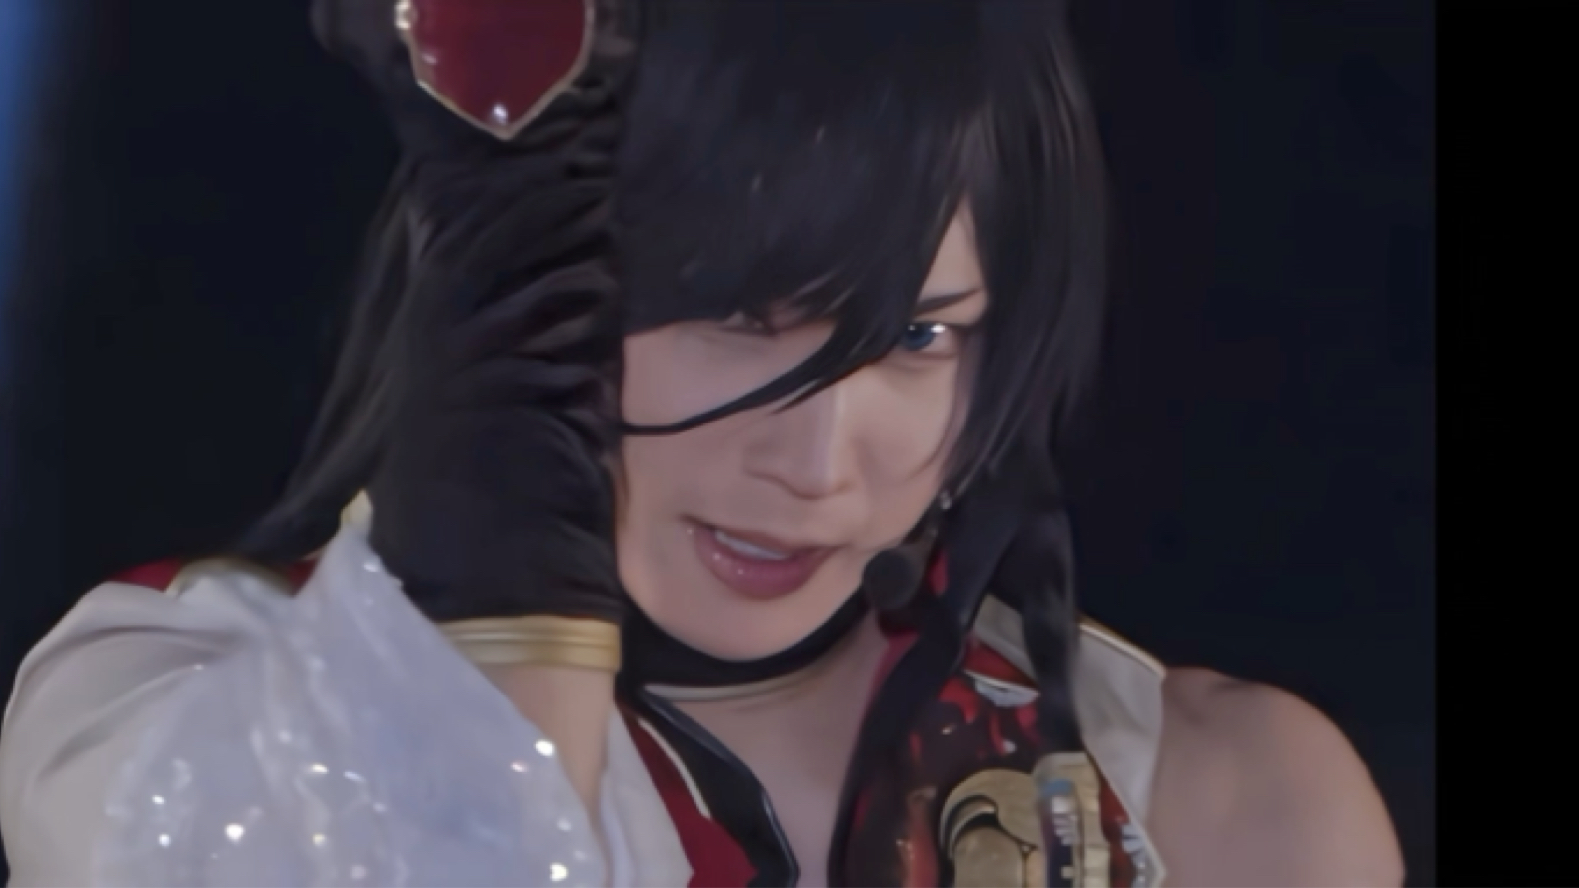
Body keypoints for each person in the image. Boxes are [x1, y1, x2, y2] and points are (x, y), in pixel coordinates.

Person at [0, 0, 1402, 885]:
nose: (819, 460)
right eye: (740, 316)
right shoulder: (157, 709)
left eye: (921, 337)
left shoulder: (1218, 802)